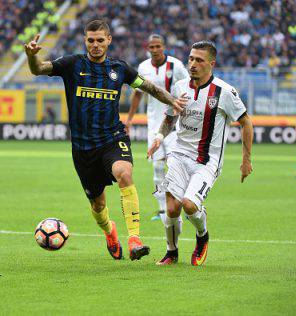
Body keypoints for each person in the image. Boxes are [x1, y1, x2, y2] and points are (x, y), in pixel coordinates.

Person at [24, 20, 187, 261]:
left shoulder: (119, 69)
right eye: (91, 40)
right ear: (85, 40)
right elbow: (38, 70)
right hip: (83, 148)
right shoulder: (72, 64)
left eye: (100, 40)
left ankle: (134, 239)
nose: (96, 45)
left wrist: (171, 99)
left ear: (109, 40)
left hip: (112, 138)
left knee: (125, 173)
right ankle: (110, 232)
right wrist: (31, 57)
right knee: (98, 207)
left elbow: (149, 87)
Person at [147, 41, 254, 266]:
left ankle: (202, 235)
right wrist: (158, 138)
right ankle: (171, 252)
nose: (193, 64)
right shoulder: (179, 87)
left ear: (211, 64)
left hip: (207, 161)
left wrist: (246, 160)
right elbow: (169, 119)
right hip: (179, 154)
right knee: (172, 208)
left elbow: (246, 123)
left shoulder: (225, 92)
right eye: (191, 59)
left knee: (189, 204)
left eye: (199, 60)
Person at [125, 34, 189, 224]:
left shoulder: (176, 65)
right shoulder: (144, 67)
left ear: (164, 47)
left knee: (177, 165)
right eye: (151, 47)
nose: (154, 50)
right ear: (148, 48)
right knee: (158, 166)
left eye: (158, 46)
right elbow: (137, 95)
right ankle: (162, 210)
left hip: (175, 124)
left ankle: (183, 204)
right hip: (154, 124)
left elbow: (188, 87)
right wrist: (129, 120)